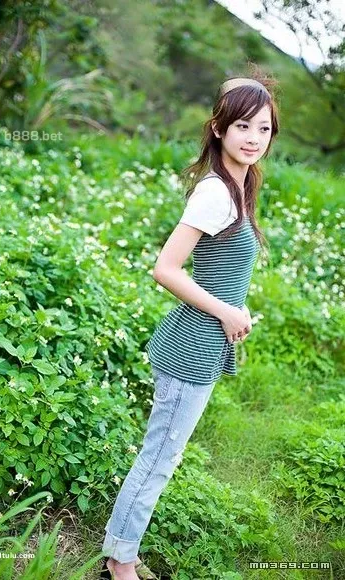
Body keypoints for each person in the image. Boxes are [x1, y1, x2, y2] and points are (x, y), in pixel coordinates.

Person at [100, 75, 280, 580]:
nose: (253, 138)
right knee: (159, 457)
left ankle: (122, 548)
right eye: (241, 125)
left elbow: (221, 270)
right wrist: (226, 311)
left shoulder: (240, 183)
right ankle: (120, 561)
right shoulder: (215, 193)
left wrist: (233, 308)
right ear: (219, 128)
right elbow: (166, 268)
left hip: (201, 344)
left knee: (164, 453)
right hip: (191, 347)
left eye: (263, 128)